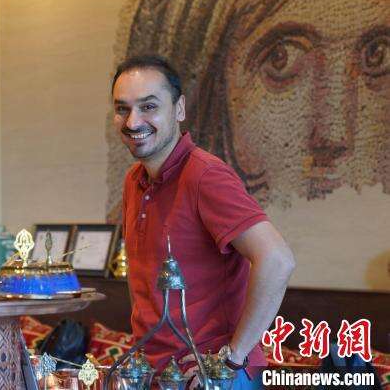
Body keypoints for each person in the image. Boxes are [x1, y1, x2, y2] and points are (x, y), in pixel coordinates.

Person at [107, 0, 389, 217]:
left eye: (377, 56)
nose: (333, 135)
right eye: (281, 59)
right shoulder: (140, 181)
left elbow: (270, 248)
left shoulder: (207, 179)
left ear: (180, 107)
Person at [112, 55, 296, 389]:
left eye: (149, 106)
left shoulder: (204, 175)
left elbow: (277, 259)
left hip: (215, 377)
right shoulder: (133, 180)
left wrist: (230, 359)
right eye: (122, 109)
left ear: (179, 109)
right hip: (159, 373)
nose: (133, 121)